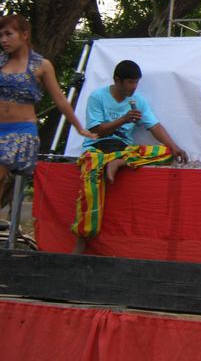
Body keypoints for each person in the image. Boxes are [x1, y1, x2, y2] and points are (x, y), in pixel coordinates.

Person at [71, 59, 188, 253]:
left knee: (167, 152)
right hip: (97, 148)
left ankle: (120, 162)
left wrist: (175, 147)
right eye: (130, 82)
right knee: (90, 181)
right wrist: (124, 119)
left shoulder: (138, 101)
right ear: (117, 80)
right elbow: (96, 130)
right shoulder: (97, 97)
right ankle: (83, 236)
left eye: (136, 82)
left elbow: (154, 126)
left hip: (123, 149)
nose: (134, 87)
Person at [0, 14, 95, 199]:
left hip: (21, 132)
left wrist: (79, 127)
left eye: (8, 34)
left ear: (24, 34)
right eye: (0, 35)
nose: (3, 40)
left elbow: (60, 100)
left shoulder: (41, 66)